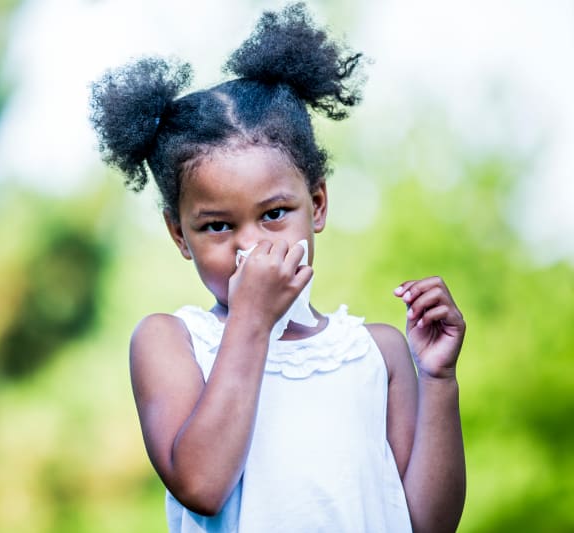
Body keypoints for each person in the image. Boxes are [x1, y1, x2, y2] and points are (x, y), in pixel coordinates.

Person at [89, 3, 465, 532]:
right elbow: (202, 486)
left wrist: (438, 377)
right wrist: (252, 319)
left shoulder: (375, 353)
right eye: (217, 226)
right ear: (180, 235)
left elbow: (428, 523)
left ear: (319, 204)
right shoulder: (170, 342)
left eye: (274, 215)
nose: (250, 247)